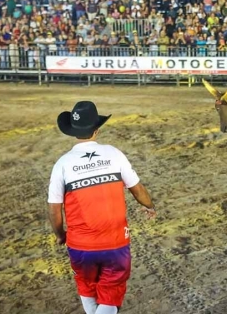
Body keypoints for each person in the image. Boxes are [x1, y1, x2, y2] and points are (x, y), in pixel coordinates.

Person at [47, 101, 156, 314]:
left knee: (86, 284)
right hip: (114, 241)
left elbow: (54, 209)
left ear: (73, 132)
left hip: (80, 244)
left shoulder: (62, 163)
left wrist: (61, 235)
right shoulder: (114, 153)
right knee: (111, 289)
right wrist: (150, 206)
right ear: (97, 129)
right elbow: (137, 188)